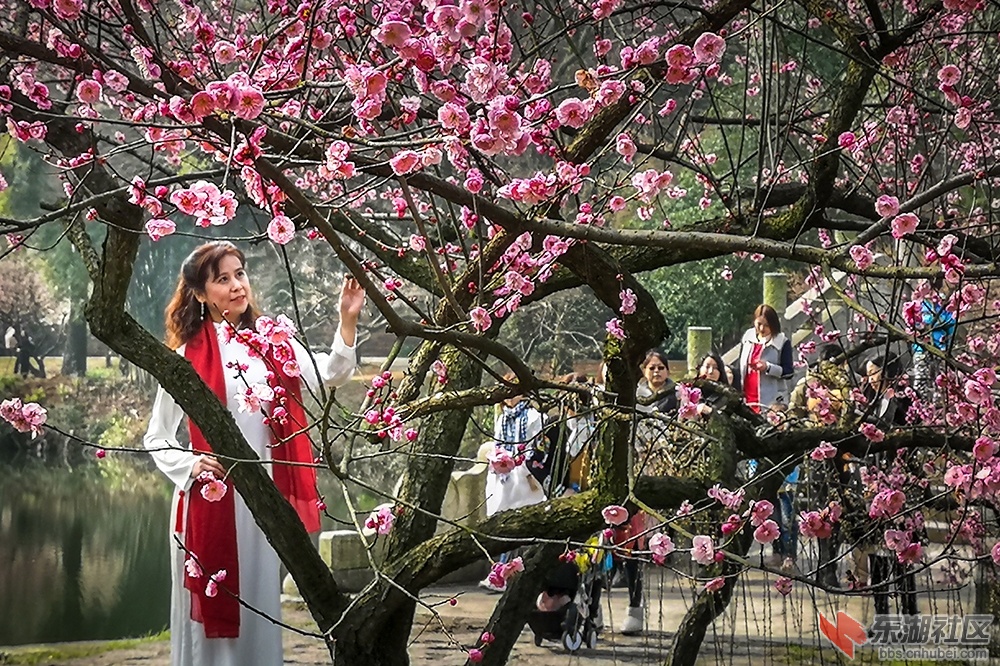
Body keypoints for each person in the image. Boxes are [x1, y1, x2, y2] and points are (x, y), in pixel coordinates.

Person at [143, 241, 363, 666]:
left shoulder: (272, 343)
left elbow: (332, 372)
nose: (236, 285)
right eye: (222, 279)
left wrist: (347, 319)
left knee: (259, 604)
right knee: (210, 606)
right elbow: (157, 435)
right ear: (202, 294)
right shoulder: (186, 356)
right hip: (208, 497)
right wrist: (190, 464)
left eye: (239, 274)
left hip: (263, 499)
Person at [481, 376, 547, 591]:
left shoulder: (534, 417)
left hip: (523, 474)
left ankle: (507, 572)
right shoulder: (501, 417)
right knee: (503, 524)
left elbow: (538, 447)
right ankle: (501, 572)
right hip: (502, 475)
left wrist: (526, 466)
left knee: (522, 523)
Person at [736, 304, 794, 413]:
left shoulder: (782, 342)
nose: (762, 329)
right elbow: (740, 366)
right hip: (748, 396)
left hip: (772, 401)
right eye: (759, 324)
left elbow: (789, 372)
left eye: (767, 325)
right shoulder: (748, 338)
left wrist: (768, 367)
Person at [910, 277, 955, 402]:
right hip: (921, 348)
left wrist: (946, 344)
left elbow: (951, 322)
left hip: (940, 348)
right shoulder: (918, 302)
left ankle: (939, 411)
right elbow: (913, 323)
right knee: (920, 379)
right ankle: (920, 407)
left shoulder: (943, 301)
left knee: (940, 382)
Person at [695, 351, 731, 418]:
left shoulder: (727, 397)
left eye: (715, 368)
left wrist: (711, 412)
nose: (711, 371)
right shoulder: (688, 393)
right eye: (707, 366)